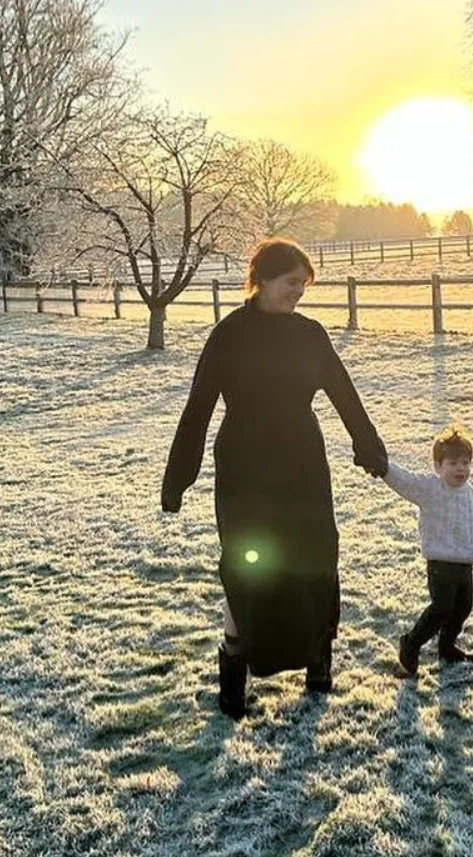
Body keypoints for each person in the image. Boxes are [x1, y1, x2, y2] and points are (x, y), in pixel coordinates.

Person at [161, 238, 387, 720]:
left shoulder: (311, 334)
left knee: (314, 557)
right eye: (291, 283)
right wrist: (179, 476)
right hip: (245, 467)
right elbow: (198, 408)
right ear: (261, 279)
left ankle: (318, 663)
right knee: (247, 566)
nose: (298, 294)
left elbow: (344, 394)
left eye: (303, 286)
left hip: (303, 465)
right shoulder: (229, 335)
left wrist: (368, 444)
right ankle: (234, 677)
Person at [376, 424, 473, 676]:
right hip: (440, 564)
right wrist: (383, 467)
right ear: (438, 466)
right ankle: (411, 643)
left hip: (465, 564)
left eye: (465, 462)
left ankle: (447, 645)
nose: (461, 468)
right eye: (453, 463)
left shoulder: (470, 492)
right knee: (441, 608)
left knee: (463, 607)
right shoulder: (431, 489)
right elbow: (405, 480)